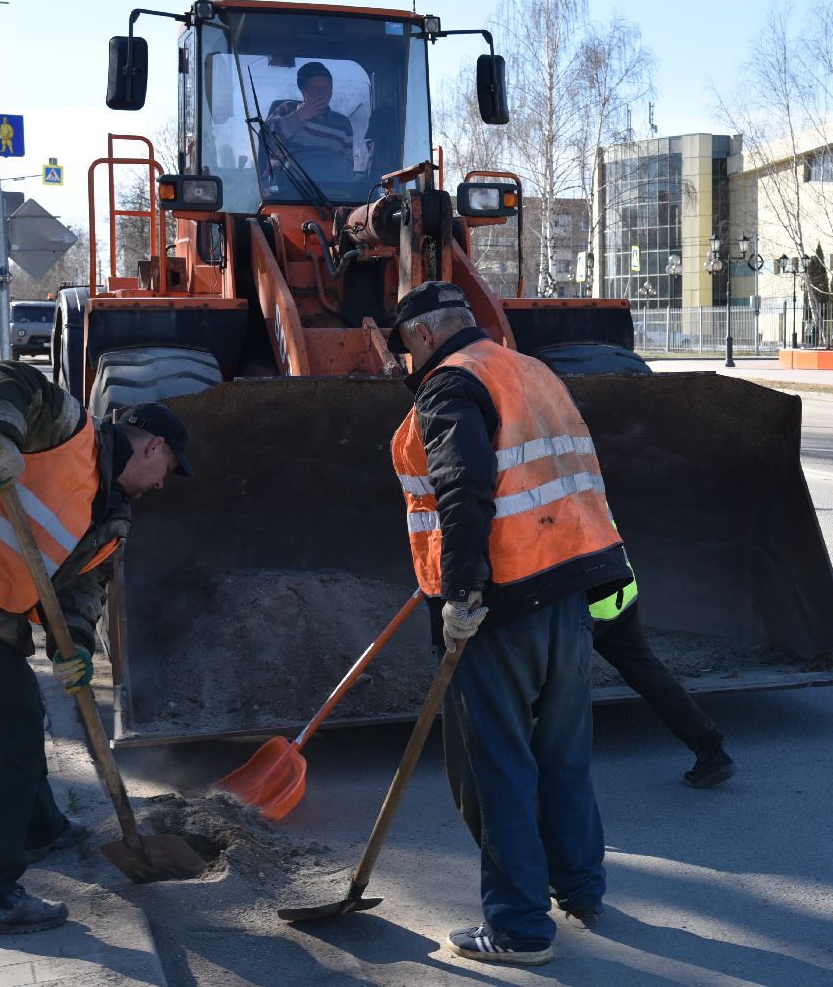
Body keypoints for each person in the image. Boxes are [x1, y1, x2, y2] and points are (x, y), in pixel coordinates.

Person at [0, 360, 193, 939]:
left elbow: (80, 593)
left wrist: (72, 648)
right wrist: (0, 438)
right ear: (152, 446)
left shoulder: (111, 517)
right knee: (7, 733)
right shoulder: (70, 430)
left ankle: (40, 828)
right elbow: (2, 376)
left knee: (20, 714)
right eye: (168, 468)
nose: (161, 485)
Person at [388, 282, 630, 967]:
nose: (407, 364)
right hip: (567, 595)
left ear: (426, 336)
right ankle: (580, 888)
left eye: (407, 348)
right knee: (563, 758)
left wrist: (460, 591)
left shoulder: (448, 387)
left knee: (493, 771)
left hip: (500, 606)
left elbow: (464, 488)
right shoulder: (532, 371)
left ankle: (519, 928)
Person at [589, 572, 738, 789]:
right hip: (619, 592)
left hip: (580, 606)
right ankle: (711, 750)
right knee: (646, 671)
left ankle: (541, 771)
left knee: (551, 682)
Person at [265, 60, 354, 182]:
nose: (321, 93)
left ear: (331, 92)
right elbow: (266, 139)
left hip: (331, 190)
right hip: (287, 188)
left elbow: (348, 164)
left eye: (325, 87)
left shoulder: (343, 124)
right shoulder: (287, 109)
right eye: (315, 88)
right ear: (304, 93)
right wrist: (299, 116)